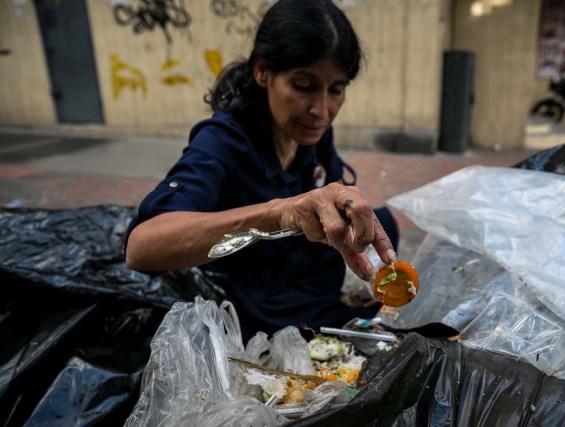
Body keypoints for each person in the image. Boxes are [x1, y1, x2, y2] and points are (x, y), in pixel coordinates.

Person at [125, 0, 399, 342]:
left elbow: (330, 194)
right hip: (245, 287)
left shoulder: (313, 133)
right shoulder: (223, 141)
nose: (321, 110)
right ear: (262, 72)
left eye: (336, 90)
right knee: (294, 329)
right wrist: (279, 213)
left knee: (381, 224)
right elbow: (141, 247)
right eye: (303, 86)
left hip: (291, 268)